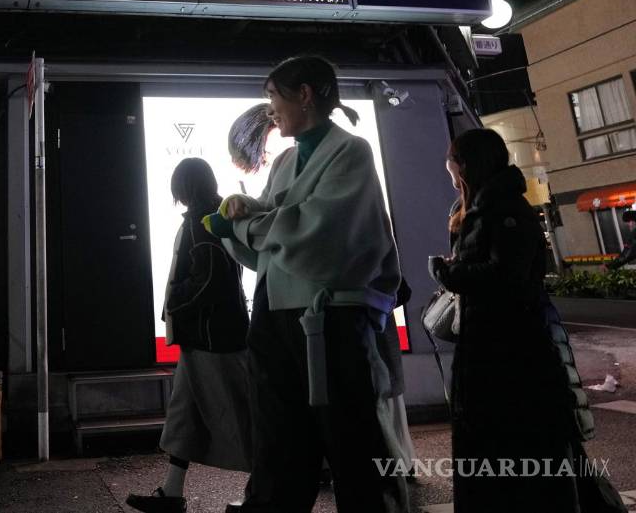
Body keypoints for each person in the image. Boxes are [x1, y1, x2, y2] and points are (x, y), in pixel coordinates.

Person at [203, 56, 407, 513]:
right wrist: (243, 207)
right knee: (277, 443)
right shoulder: (288, 159)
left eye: (274, 96)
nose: (270, 108)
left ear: (305, 94)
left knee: (350, 442)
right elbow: (277, 223)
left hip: (329, 321)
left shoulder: (352, 151)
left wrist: (241, 227)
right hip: (277, 315)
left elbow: (319, 232)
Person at [430, 129, 624, 512]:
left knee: (521, 447)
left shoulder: (504, 211)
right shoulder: (483, 208)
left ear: (468, 164)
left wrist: (448, 273)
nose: (448, 168)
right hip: (494, 350)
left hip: (511, 354)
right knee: (515, 448)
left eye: (452, 160)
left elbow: (506, 277)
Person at [127, 158, 252, 513]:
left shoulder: (201, 223)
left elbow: (209, 280)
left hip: (213, 340)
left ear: (184, 187)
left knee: (236, 416)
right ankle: (170, 493)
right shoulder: (214, 216)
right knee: (185, 416)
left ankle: (265, 490)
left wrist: (176, 299)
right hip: (209, 337)